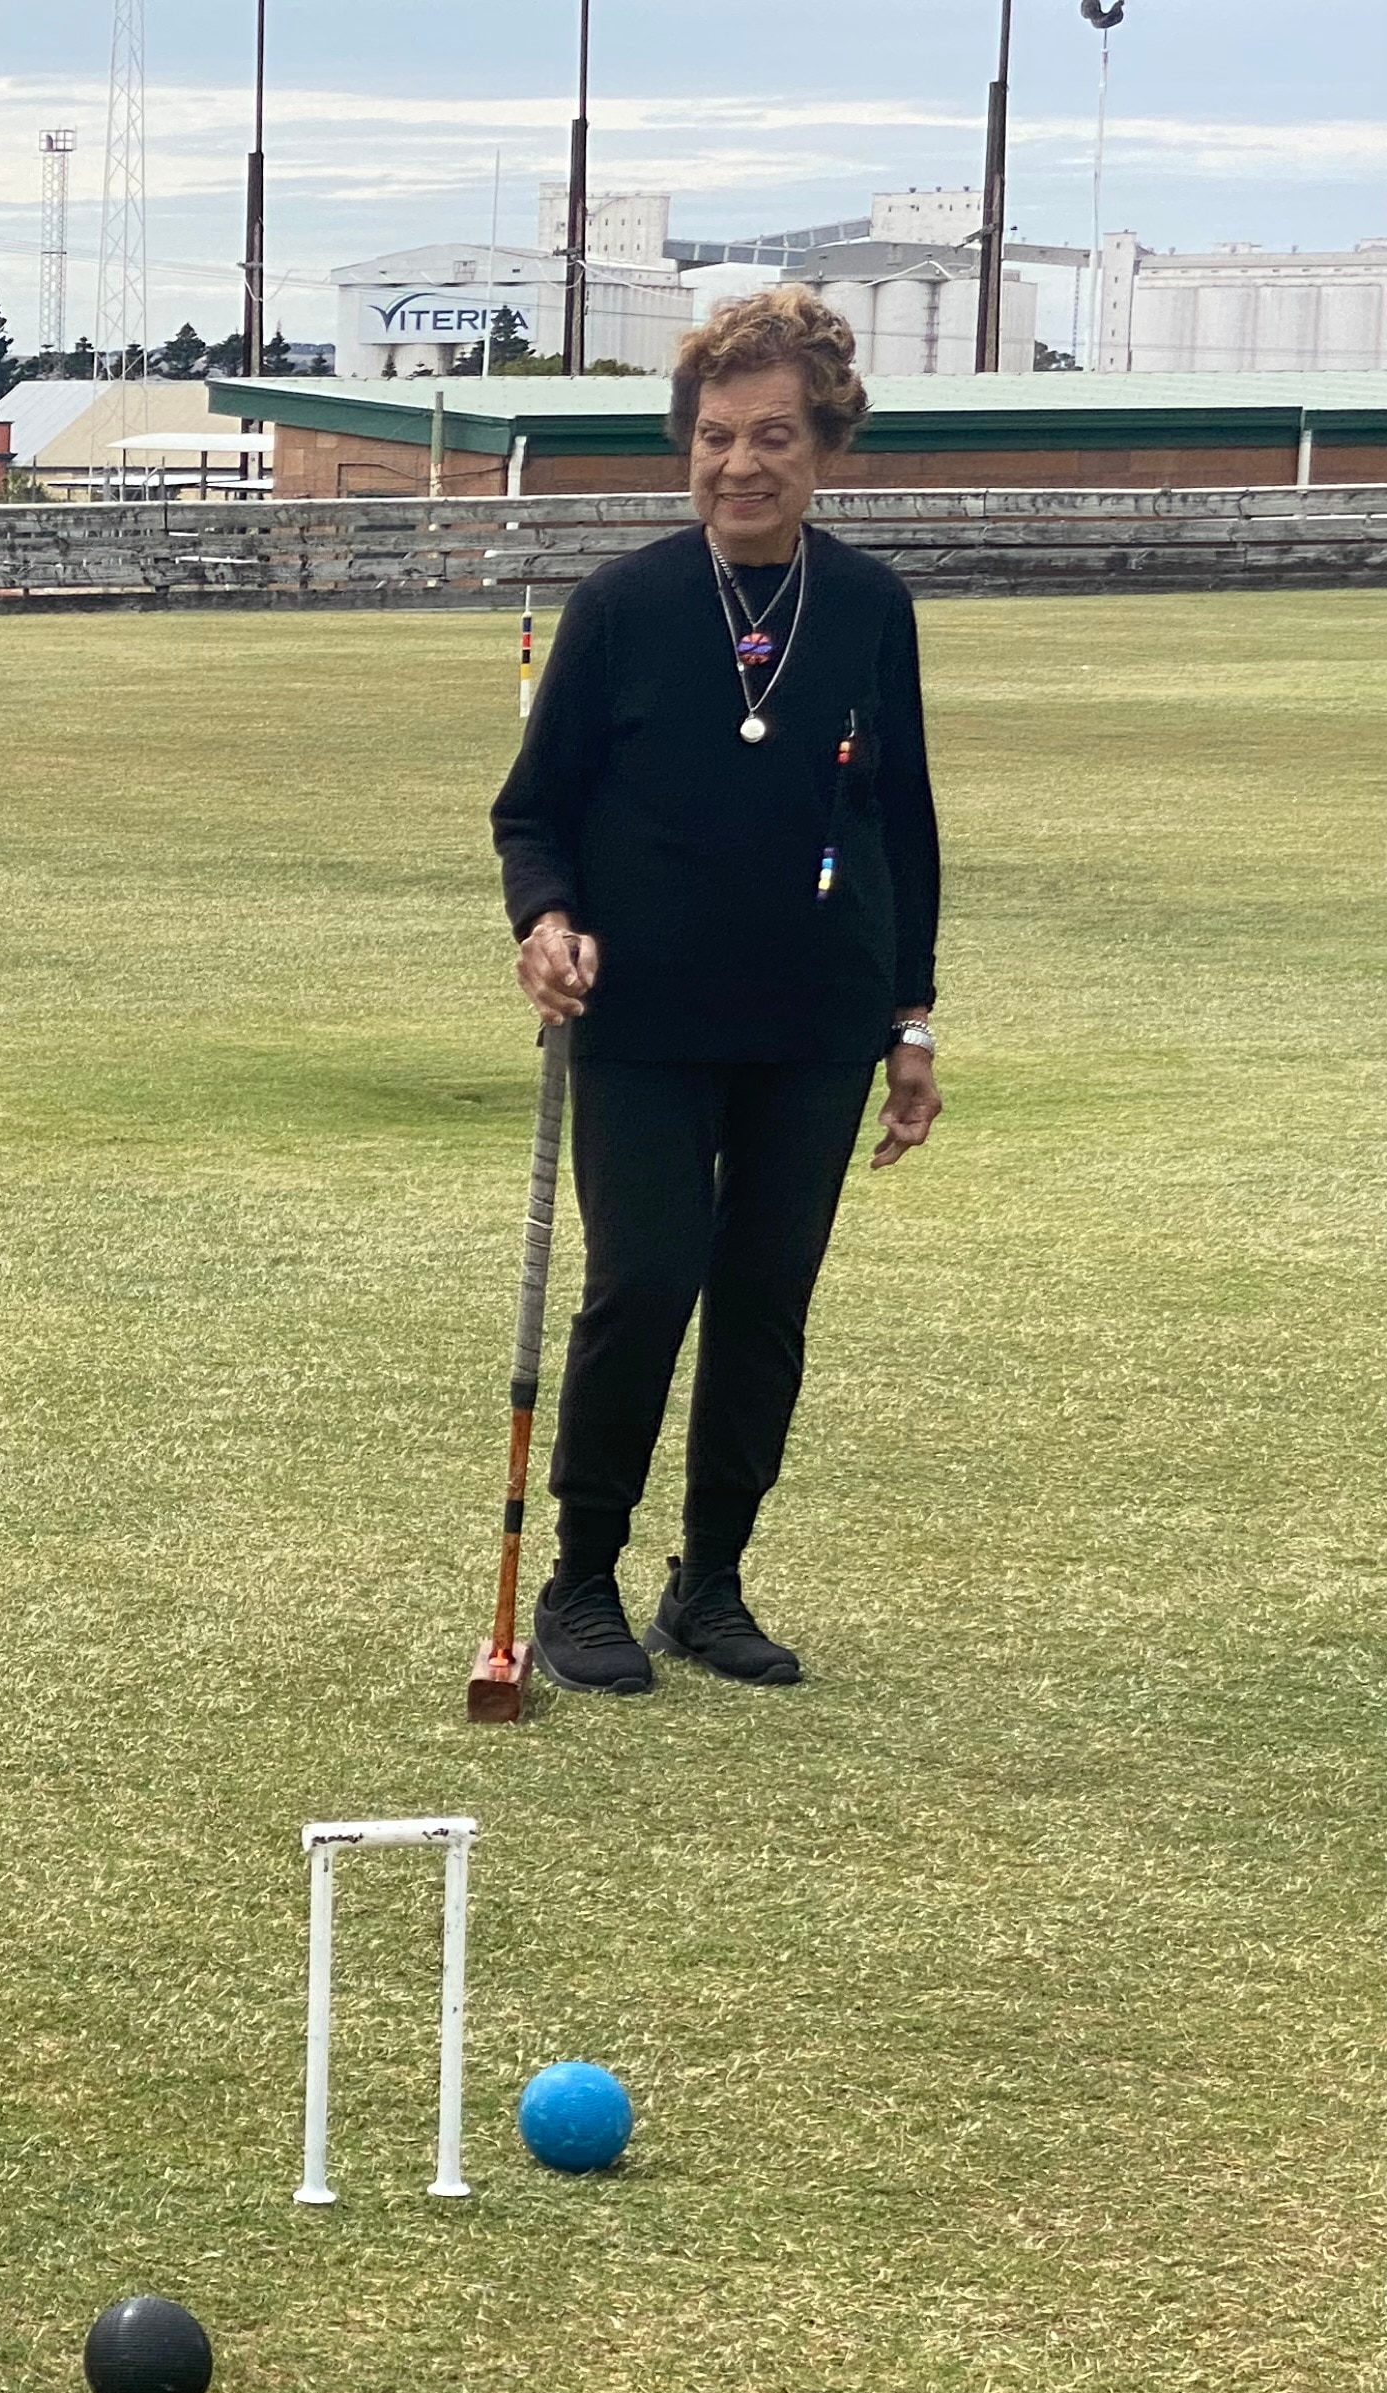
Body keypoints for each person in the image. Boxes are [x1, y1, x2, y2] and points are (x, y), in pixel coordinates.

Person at [490, 285, 945, 1693]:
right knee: (649, 1280)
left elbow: (905, 829)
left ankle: (714, 1582)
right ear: (686, 446)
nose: (741, 464)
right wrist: (546, 917)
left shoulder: (869, 609)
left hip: (815, 1020)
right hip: (641, 1022)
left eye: (774, 437)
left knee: (764, 1297)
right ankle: (581, 1582)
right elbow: (532, 812)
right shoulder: (621, 608)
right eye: (716, 436)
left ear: (826, 450)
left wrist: (910, 1019)